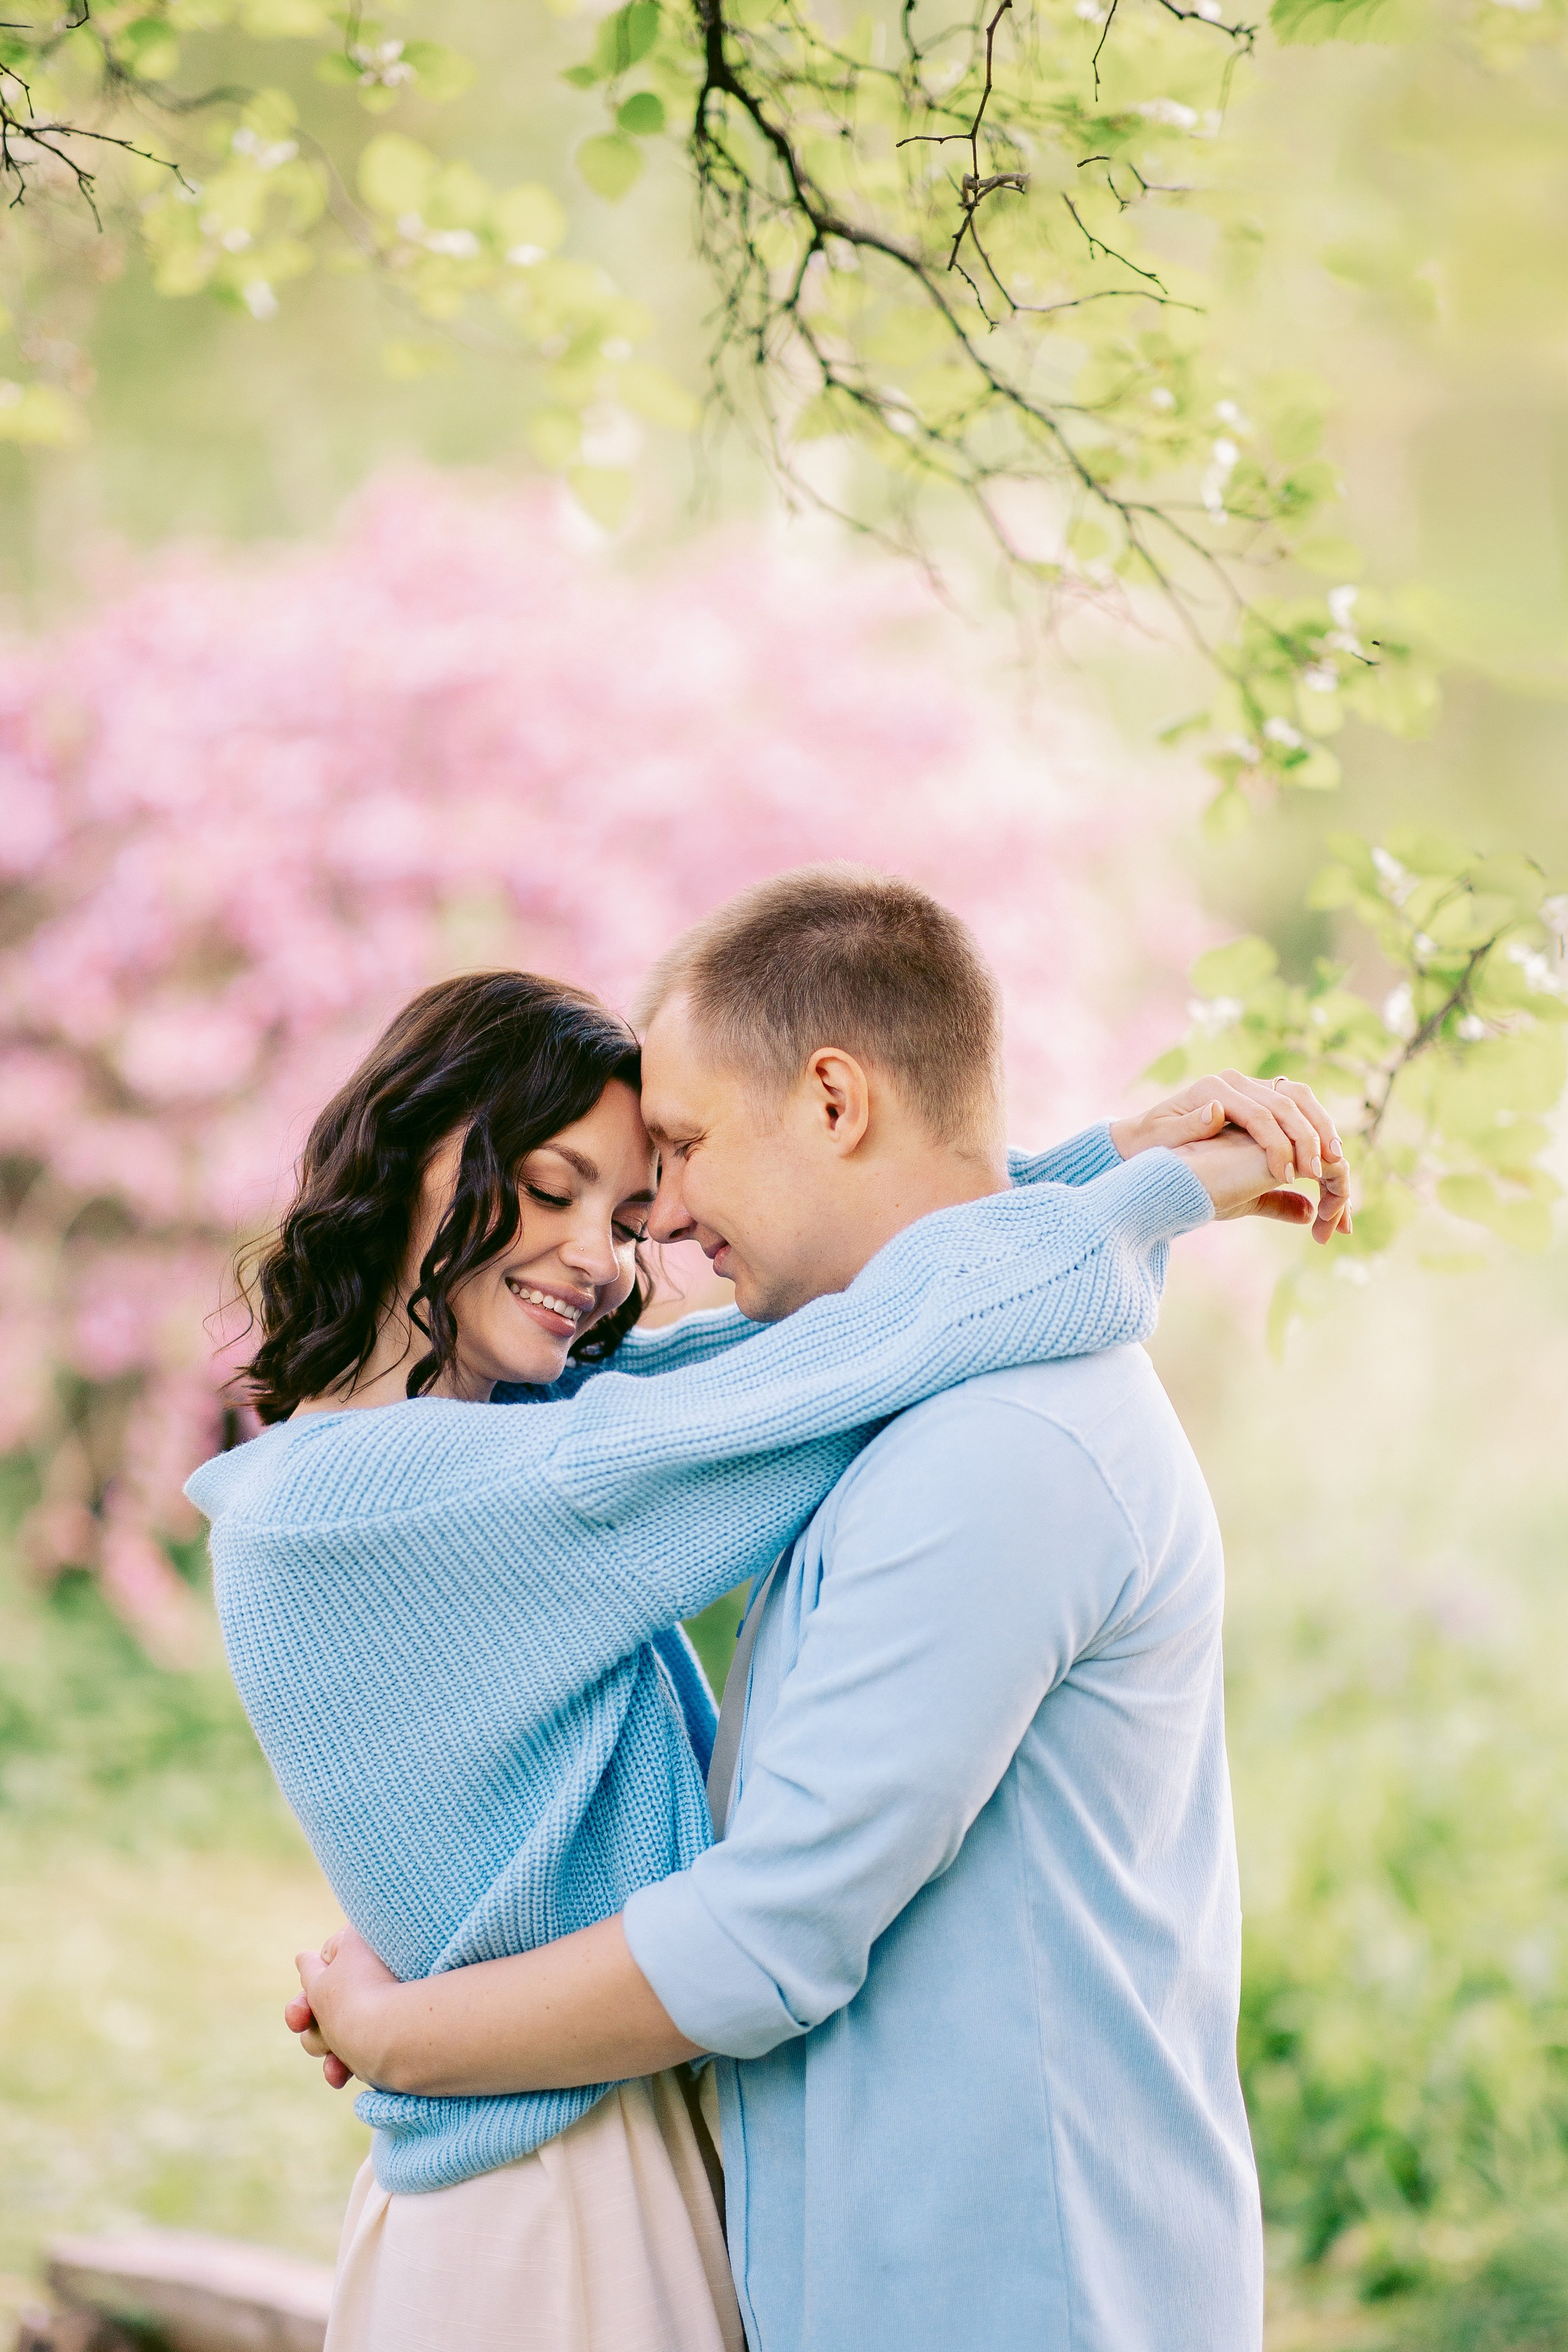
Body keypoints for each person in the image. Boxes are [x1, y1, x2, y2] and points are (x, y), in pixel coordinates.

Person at [286, 870, 1351, 2352]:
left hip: (1014, 2298)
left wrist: (405, 2033)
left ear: (834, 1101)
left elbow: (767, 1933)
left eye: (677, 1148)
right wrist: (1104, 1172)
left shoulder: (997, 1445)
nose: (659, 1220)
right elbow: (873, 1315)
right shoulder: (887, 1407)